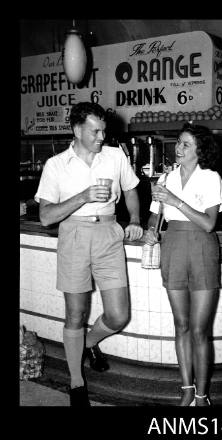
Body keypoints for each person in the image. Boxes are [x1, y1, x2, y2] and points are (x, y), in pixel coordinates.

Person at [35, 102, 143, 407]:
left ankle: (88, 344)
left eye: (104, 130)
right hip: (74, 236)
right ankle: (76, 381)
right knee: (76, 314)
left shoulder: (115, 156)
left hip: (109, 234)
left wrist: (134, 219)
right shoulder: (56, 165)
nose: (101, 136)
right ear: (77, 129)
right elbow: (46, 216)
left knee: (119, 315)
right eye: (95, 130)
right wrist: (83, 196)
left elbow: (132, 189)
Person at [144, 123, 222, 406]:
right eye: (178, 142)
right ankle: (187, 388)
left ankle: (202, 396)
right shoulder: (166, 179)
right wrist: (150, 230)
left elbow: (208, 223)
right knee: (180, 325)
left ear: (199, 151)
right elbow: (155, 217)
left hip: (202, 248)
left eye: (186, 144)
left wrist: (176, 201)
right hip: (173, 248)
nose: (178, 148)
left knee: (200, 330)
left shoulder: (210, 178)